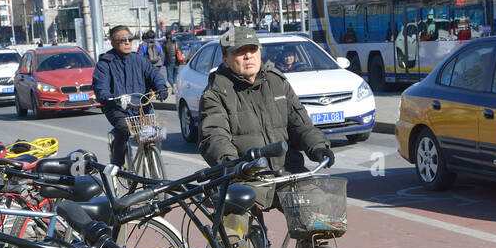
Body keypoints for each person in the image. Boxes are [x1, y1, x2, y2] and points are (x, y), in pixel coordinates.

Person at [197, 25, 332, 174]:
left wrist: (318, 146)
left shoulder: (276, 81)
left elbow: (300, 124)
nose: (248, 56)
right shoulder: (216, 93)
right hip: (249, 178)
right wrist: (231, 166)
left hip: (289, 171)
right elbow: (215, 137)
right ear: (225, 60)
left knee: (321, 194)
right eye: (240, 52)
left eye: (253, 50)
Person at [92, 24, 169, 168]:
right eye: (123, 40)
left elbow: (154, 74)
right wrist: (108, 97)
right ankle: (117, 162)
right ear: (113, 42)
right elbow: (100, 86)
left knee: (155, 134)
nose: (127, 42)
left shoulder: (139, 59)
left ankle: (155, 169)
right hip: (117, 108)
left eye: (130, 39)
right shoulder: (105, 63)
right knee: (123, 128)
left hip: (141, 107)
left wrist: (161, 87)